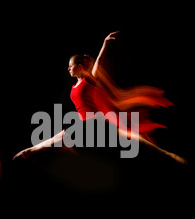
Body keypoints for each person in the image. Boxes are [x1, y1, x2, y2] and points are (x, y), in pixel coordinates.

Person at [13, 32, 186, 164]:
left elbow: (99, 63)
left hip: (95, 123)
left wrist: (105, 43)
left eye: (70, 66)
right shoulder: (74, 86)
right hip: (85, 125)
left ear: (80, 66)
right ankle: (32, 151)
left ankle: (167, 156)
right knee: (59, 140)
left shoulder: (89, 79)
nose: (68, 69)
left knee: (62, 139)